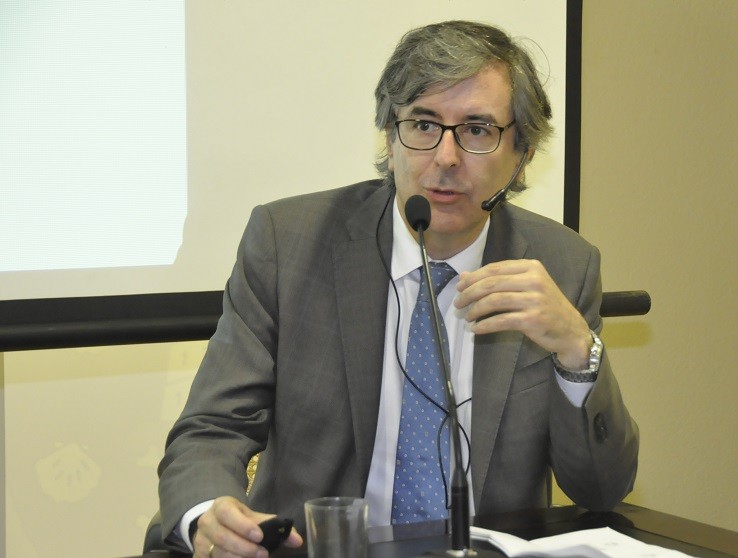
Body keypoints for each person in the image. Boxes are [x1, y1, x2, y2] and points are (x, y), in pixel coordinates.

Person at [158, 20, 639, 558]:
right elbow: (211, 428)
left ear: (522, 153)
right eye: (423, 124)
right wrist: (210, 514)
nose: (446, 157)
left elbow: (602, 491)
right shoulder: (288, 245)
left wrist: (577, 351)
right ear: (389, 138)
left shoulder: (562, 266)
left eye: (477, 130)